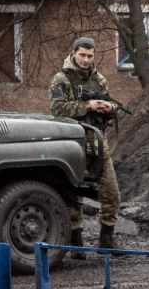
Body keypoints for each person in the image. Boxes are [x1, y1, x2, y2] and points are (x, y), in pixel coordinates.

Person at [48, 36, 122, 250]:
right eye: (82, 55)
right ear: (73, 53)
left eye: (90, 56)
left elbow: (109, 103)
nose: (86, 60)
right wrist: (87, 105)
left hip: (98, 142)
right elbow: (57, 110)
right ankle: (75, 239)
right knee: (72, 192)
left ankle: (106, 238)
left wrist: (109, 108)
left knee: (111, 192)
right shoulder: (61, 79)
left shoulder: (99, 79)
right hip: (72, 143)